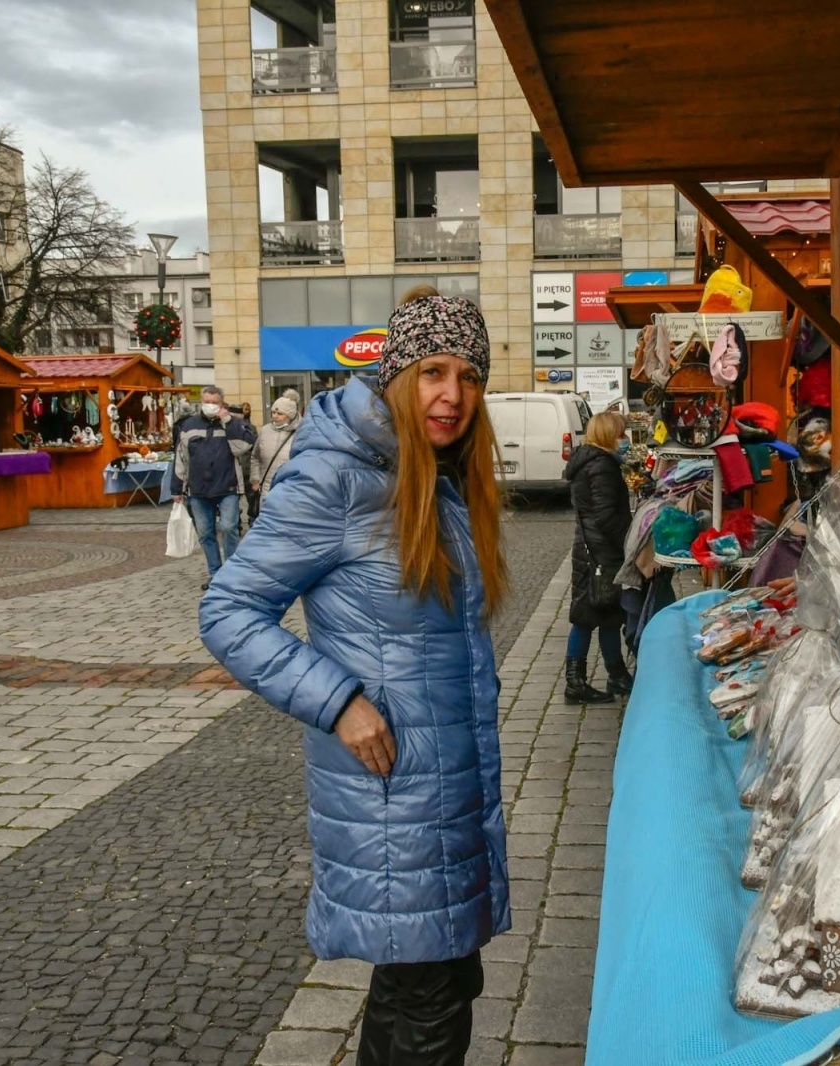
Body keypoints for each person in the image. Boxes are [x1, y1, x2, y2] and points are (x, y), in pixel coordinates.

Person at [199, 291, 509, 1066]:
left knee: (427, 983)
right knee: (431, 996)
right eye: (433, 371)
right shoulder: (337, 479)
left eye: (469, 377)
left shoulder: (435, 473)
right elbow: (229, 609)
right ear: (397, 374)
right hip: (392, 793)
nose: (453, 395)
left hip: (440, 788)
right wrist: (338, 703)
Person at [563, 410, 634, 703]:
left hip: (591, 549)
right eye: (621, 434)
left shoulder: (590, 462)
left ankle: (616, 675)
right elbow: (605, 516)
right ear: (608, 435)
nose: (626, 440)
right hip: (601, 553)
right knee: (588, 615)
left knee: (606, 614)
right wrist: (628, 543)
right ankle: (576, 683)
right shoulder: (602, 466)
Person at [171, 386, 256, 588]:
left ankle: (233, 573)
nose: (210, 405)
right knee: (206, 533)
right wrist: (177, 488)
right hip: (198, 489)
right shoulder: (189, 425)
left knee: (228, 527)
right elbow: (182, 458)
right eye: (207, 401)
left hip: (228, 486)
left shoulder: (234, 424)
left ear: (222, 403)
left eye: (215, 402)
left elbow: (242, 448)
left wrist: (227, 422)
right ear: (201, 401)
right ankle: (216, 574)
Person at [249, 396, 301, 517]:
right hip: (266, 487)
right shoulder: (265, 430)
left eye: (280, 413)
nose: (275, 416)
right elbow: (255, 457)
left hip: (291, 488)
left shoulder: (301, 433)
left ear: (290, 416)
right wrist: (255, 480)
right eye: (273, 412)